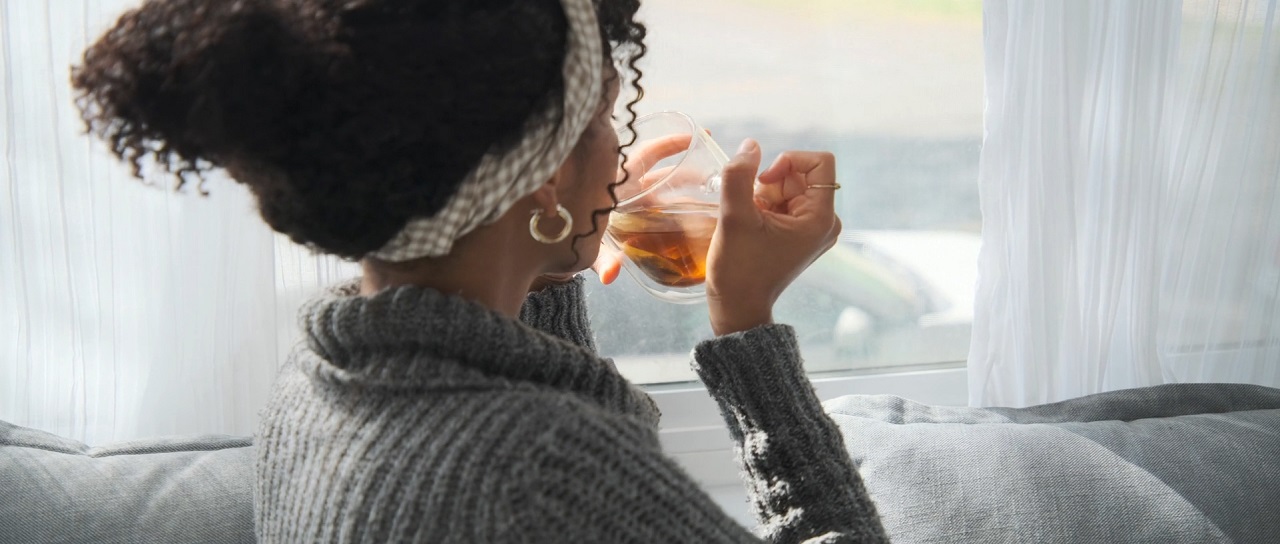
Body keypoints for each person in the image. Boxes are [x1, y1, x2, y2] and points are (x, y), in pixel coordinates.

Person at [72, 0, 889, 541]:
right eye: (602, 117)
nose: (618, 145)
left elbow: (500, 390)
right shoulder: (543, 470)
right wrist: (747, 329)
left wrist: (552, 243)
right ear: (538, 171)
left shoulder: (315, 391)